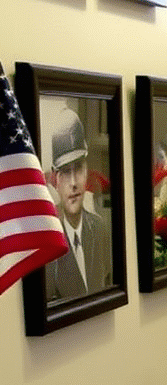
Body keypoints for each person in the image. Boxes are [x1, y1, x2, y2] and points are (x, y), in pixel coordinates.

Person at [45, 109, 113, 301]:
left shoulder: (99, 228)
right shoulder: (49, 241)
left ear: (87, 172)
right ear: (54, 179)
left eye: (79, 168)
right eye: (66, 172)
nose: (74, 182)